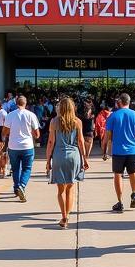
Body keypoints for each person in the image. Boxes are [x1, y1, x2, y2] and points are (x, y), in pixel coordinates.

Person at [45, 96, 88, 228]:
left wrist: (48, 160)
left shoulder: (54, 122)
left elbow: (51, 142)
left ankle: (63, 216)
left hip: (58, 156)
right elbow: (81, 142)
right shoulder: (78, 122)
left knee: (60, 190)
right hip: (74, 156)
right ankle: (67, 216)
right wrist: (84, 159)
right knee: (70, 188)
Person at [106, 92, 135, 213]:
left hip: (118, 150)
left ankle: (120, 201)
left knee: (118, 174)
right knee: (133, 173)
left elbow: (109, 136)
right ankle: (134, 193)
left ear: (120, 102)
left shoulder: (113, 116)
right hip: (133, 150)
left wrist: (107, 150)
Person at [3, 94, 40, 202]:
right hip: (27, 146)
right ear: (26, 104)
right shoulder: (31, 115)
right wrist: (31, 132)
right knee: (27, 168)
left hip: (13, 146)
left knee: (15, 169)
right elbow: (37, 134)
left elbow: (4, 132)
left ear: (16, 103)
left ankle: (16, 188)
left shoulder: (10, 115)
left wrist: (11, 132)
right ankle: (22, 185)